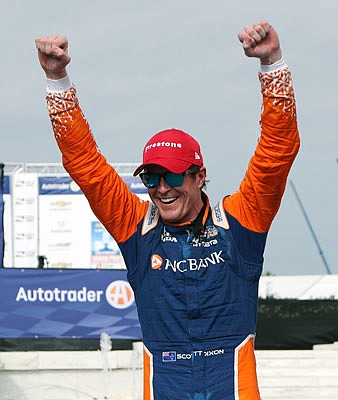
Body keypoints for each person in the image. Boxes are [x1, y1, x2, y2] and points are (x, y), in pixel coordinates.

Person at [35, 20, 300, 400]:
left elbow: (277, 151)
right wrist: (57, 79)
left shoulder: (241, 220)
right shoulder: (135, 227)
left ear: (199, 176)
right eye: (151, 178)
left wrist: (272, 64)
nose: (161, 189)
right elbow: (86, 165)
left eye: (173, 177)